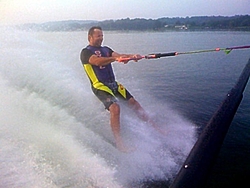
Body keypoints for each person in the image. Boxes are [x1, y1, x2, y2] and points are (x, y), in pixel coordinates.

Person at [80, 26, 157, 152]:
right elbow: (98, 62)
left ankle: (155, 127)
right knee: (115, 108)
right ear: (90, 37)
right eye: (98, 36)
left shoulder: (106, 49)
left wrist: (132, 56)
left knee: (133, 103)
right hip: (99, 86)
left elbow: (119, 55)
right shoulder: (86, 52)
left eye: (102, 35)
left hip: (113, 84)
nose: (101, 38)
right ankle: (119, 143)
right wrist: (115, 59)